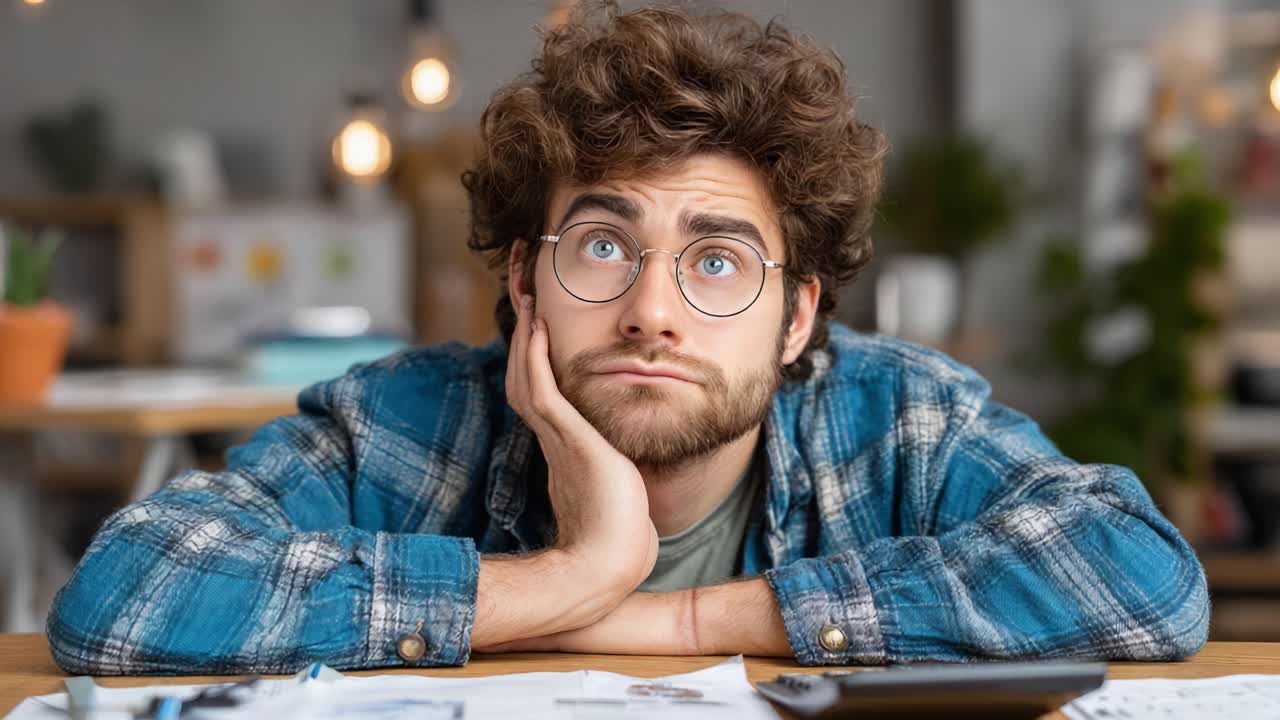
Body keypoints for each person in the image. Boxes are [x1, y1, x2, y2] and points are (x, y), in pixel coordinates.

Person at [46, 1, 1208, 674]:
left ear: (796, 313)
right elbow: (126, 597)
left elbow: (1143, 577)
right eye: (602, 248)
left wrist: (688, 618)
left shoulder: (896, 419)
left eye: (716, 262)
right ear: (525, 280)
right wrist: (562, 577)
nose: (653, 309)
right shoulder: (403, 424)